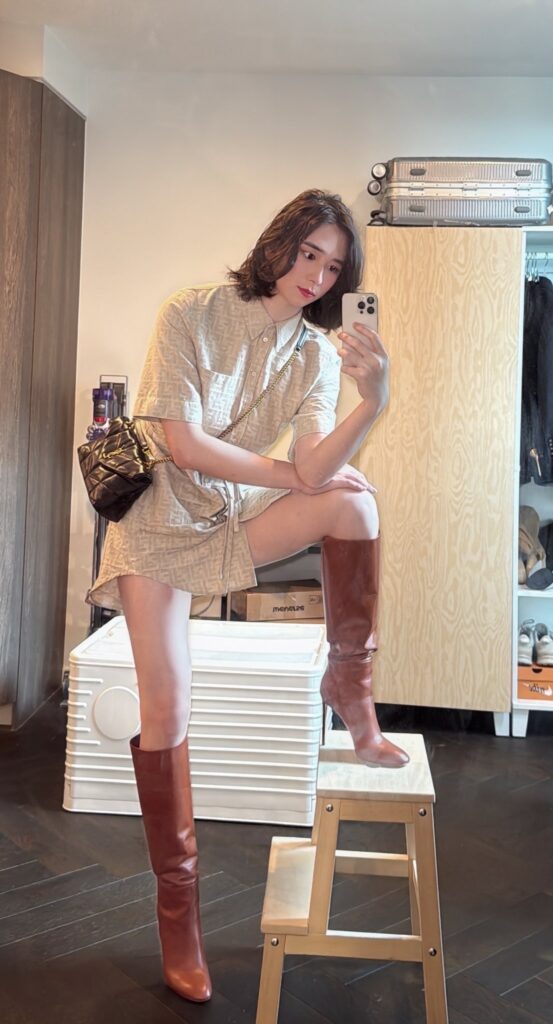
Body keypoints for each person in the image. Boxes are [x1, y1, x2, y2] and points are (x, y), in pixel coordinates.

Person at [87, 188, 409, 1004]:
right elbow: (183, 443)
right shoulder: (191, 312)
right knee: (168, 709)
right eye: (308, 254)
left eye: (331, 268)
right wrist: (294, 476)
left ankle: (349, 683)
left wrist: (370, 402)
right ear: (278, 244)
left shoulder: (313, 354)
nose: (315, 276)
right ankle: (179, 921)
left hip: (226, 522)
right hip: (158, 528)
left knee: (355, 505)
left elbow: (317, 463)